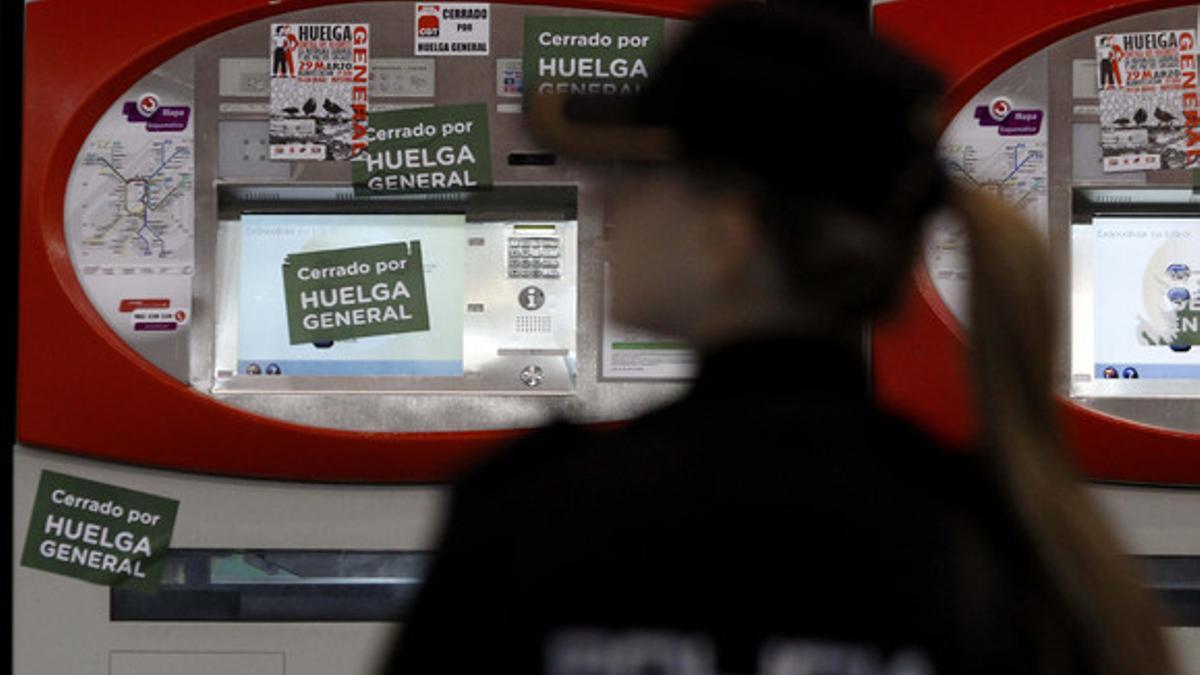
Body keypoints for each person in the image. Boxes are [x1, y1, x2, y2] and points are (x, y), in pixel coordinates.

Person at [382, 3, 1176, 674]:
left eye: (635, 178)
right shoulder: (1009, 547)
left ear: (726, 234)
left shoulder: (537, 519)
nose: (602, 206)